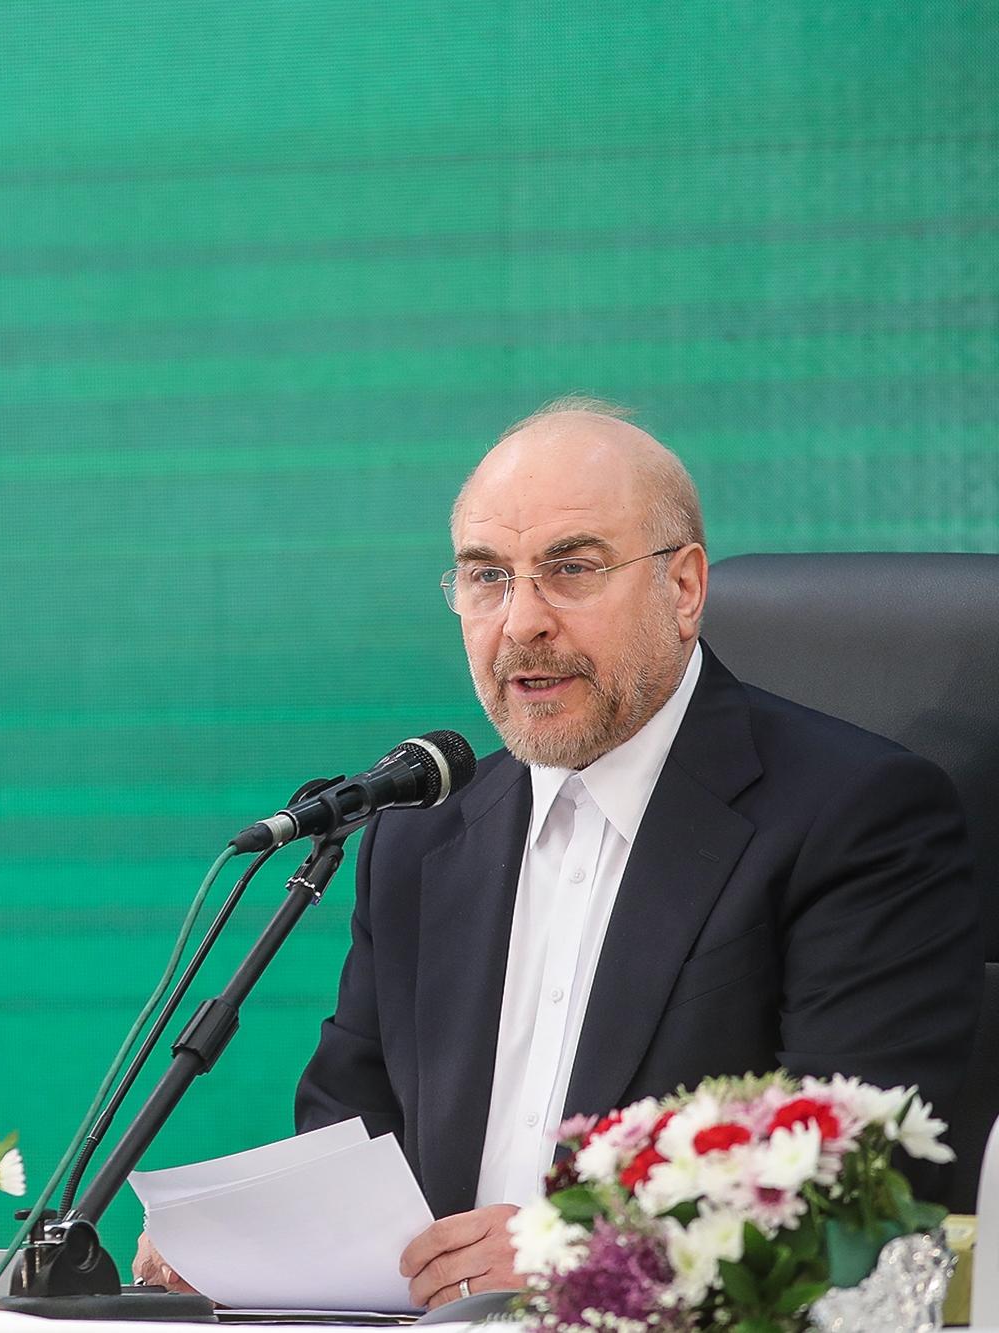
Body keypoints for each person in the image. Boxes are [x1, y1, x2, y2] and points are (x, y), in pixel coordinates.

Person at [135, 400, 979, 1309]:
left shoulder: (853, 815)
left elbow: (861, 1181)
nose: (521, 622)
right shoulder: (418, 835)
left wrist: (579, 1258)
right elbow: (352, 1139)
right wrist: (254, 1247)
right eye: (487, 577)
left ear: (684, 588)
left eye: (571, 569)